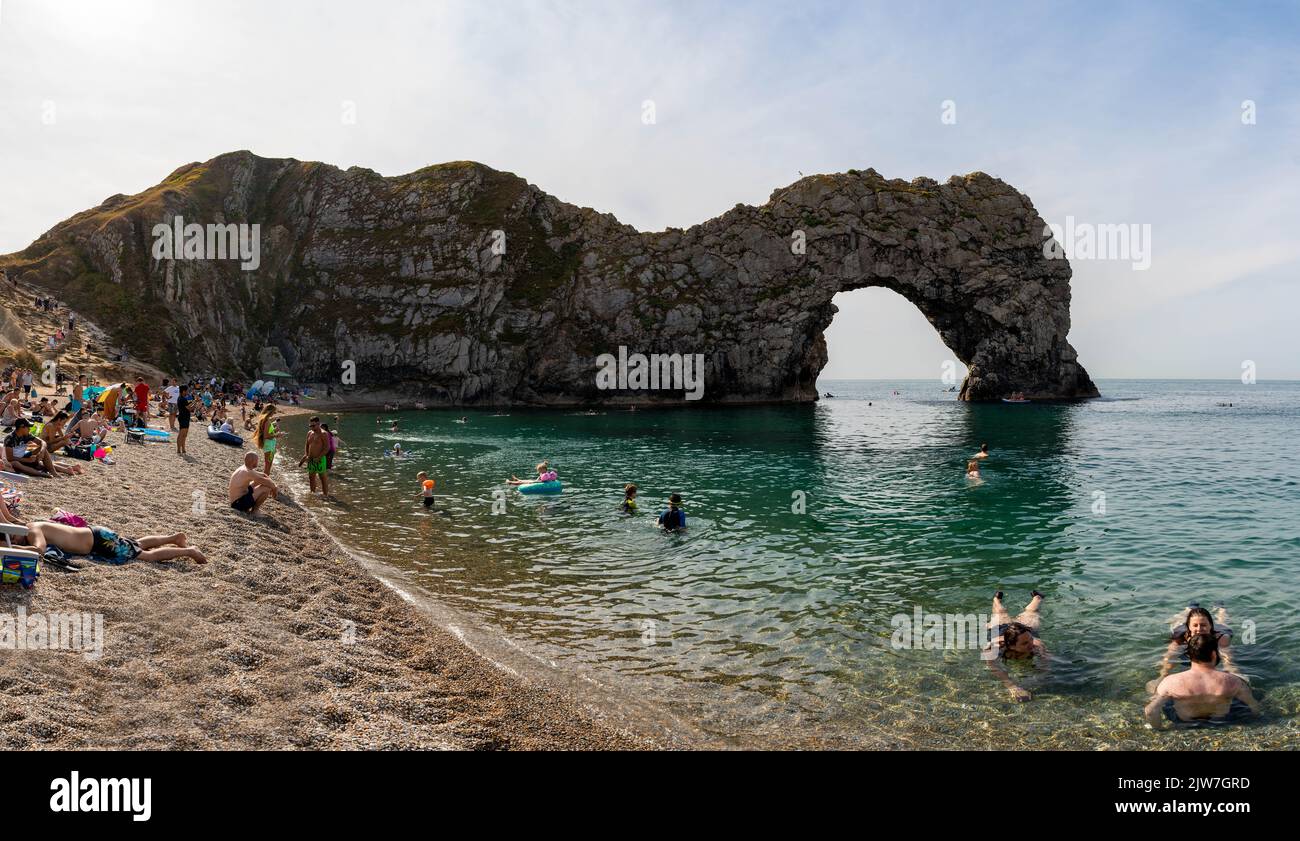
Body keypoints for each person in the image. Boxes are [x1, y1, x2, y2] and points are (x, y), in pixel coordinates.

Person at [1144, 634, 1260, 728]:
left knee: (1152, 687)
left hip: (1184, 721)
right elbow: (1254, 707)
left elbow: (1150, 710)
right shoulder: (1232, 681)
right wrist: (1255, 721)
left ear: (1189, 655)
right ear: (1214, 654)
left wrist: (1159, 729)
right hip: (1221, 720)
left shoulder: (1170, 682)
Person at [20, 519, 207, 564]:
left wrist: (7, 548)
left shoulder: (32, 530)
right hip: (96, 535)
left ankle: (189, 551)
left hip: (99, 542)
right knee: (136, 544)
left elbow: (39, 549)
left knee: (145, 556)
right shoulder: (31, 524)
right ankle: (174, 538)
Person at [1151, 605, 1240, 691]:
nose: (1199, 629)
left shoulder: (1221, 638)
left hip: (1219, 629)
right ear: (1189, 627)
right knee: (1178, 621)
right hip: (1184, 629)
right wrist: (1162, 676)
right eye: (1195, 625)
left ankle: (1220, 608)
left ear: (1210, 625)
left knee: (1222, 621)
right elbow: (1169, 657)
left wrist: (1235, 674)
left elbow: (1227, 659)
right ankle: (1189, 608)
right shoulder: (1181, 638)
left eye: (1203, 625)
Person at [983, 590, 1050, 702]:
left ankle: (1037, 597)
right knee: (1000, 612)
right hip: (1000, 629)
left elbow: (1045, 666)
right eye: (1025, 643)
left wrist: (1036, 681)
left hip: (1023, 630)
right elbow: (994, 666)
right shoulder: (993, 647)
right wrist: (1012, 686)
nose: (1031, 644)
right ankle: (996, 599)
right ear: (1011, 646)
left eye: (1030, 640)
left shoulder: (1036, 644)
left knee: (1032, 612)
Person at [299, 416, 330, 496]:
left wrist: (319, 457)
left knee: (322, 478)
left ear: (318, 424)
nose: (312, 427)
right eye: (310, 426)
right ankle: (313, 493)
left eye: (313, 425)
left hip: (320, 459)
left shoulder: (324, 434)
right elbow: (307, 444)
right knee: (311, 477)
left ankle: (325, 495)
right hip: (311, 459)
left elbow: (327, 448)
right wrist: (306, 455)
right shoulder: (310, 433)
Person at [253, 405, 278, 474]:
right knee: (268, 466)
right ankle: (263, 482)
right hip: (269, 446)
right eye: (274, 412)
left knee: (268, 465)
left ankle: (264, 481)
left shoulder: (265, 420)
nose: (274, 413)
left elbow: (267, 432)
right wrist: (277, 435)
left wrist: (274, 429)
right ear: (270, 411)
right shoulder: (266, 421)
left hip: (269, 445)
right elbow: (266, 436)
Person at [175, 384, 193, 455]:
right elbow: (190, 408)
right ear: (183, 391)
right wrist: (195, 402)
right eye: (186, 391)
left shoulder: (180, 398)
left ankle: (183, 449)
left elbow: (188, 406)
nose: (187, 392)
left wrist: (194, 401)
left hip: (184, 417)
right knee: (182, 434)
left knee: (184, 434)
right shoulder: (183, 399)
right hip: (183, 418)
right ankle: (179, 449)